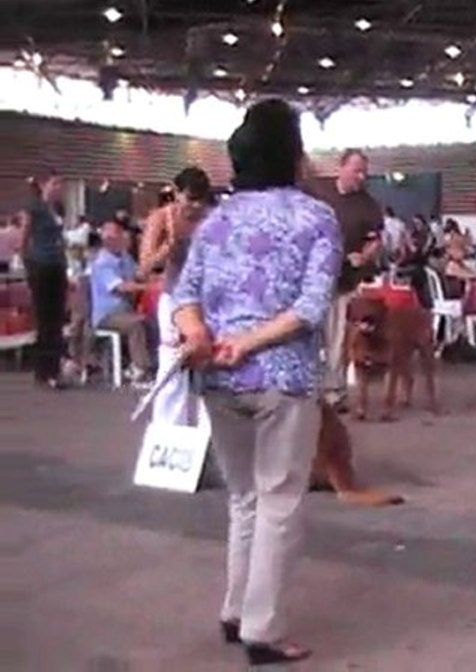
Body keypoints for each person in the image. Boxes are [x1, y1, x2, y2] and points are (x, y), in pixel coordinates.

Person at [173, 98, 342, 666]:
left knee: (243, 498)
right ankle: (262, 630)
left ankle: (234, 609)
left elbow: (184, 295)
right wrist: (249, 342)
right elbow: (312, 307)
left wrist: (200, 336)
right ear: (293, 155)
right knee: (279, 502)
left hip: (217, 380)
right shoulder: (316, 217)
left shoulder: (217, 218)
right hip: (282, 379)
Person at [138, 166, 215, 423]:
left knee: (209, 363)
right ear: (176, 193)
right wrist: (168, 248)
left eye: (200, 200)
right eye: (190, 199)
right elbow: (145, 267)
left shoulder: (213, 218)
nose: (195, 206)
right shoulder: (162, 218)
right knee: (173, 362)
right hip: (174, 297)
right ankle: (169, 429)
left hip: (207, 299)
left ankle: (210, 433)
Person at [315, 149, 383, 412]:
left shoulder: (368, 204)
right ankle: (308, 392)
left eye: (364, 171)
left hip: (344, 282)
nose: (361, 176)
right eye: (356, 170)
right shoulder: (319, 194)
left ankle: (334, 394)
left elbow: (375, 239)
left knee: (337, 339)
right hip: (313, 279)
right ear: (341, 167)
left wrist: (364, 257)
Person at [18, 171, 69, 388]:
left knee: (57, 319)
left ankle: (54, 371)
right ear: (43, 185)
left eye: (61, 185)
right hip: (41, 265)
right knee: (44, 318)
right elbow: (24, 238)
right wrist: (29, 263)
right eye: (55, 184)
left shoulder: (58, 208)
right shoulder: (34, 208)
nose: (58, 188)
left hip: (58, 264)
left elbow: (60, 235)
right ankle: (44, 370)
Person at [90, 220, 153, 383]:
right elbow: (121, 287)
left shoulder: (125, 257)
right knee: (136, 325)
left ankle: (154, 363)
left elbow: (138, 275)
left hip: (125, 310)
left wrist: (158, 278)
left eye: (116, 235)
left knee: (152, 320)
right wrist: (147, 287)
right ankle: (141, 370)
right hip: (107, 315)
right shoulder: (102, 262)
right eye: (108, 237)